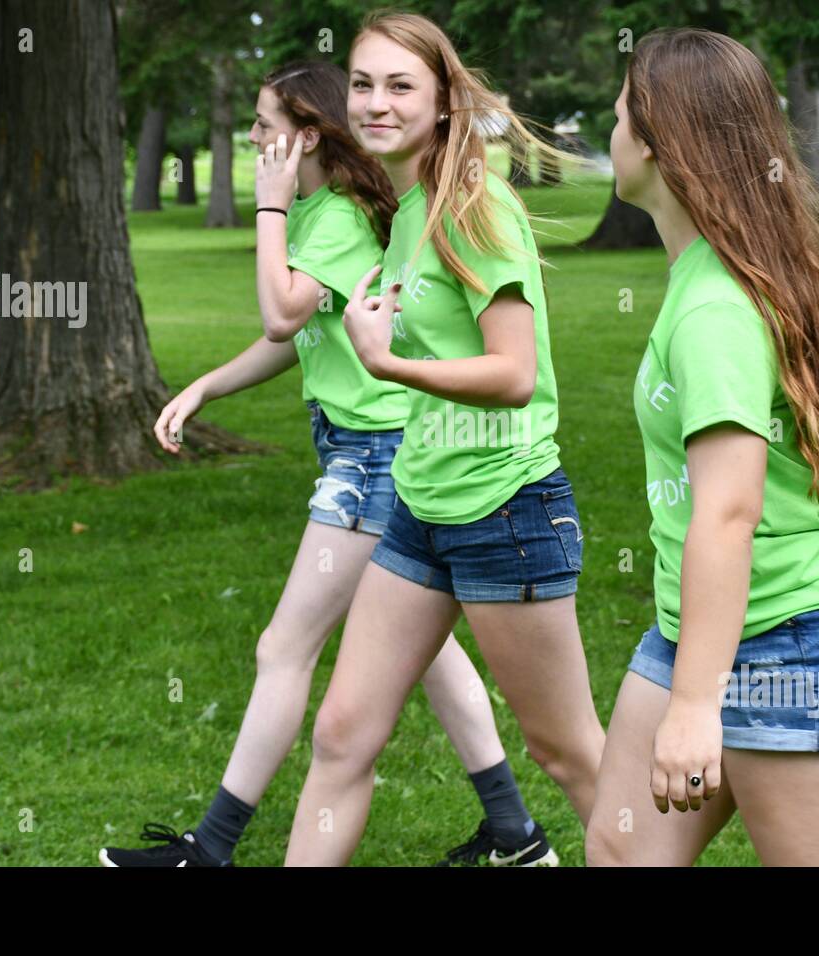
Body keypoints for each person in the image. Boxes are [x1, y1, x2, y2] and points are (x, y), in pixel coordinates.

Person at [100, 60, 551, 868]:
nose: (252, 136)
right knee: (431, 656)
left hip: (372, 463)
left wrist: (268, 205)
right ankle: (516, 834)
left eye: (265, 123)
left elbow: (280, 312)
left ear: (306, 135)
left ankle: (212, 848)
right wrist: (208, 385)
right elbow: (299, 336)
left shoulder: (334, 214)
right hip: (373, 454)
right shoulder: (321, 212)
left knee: (284, 648)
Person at [281, 12, 605, 867]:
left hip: (505, 507)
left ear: (444, 100)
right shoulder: (411, 207)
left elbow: (514, 373)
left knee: (568, 752)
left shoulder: (473, 206)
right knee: (343, 733)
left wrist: (386, 366)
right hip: (420, 507)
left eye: (400, 86)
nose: (375, 102)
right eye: (362, 83)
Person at [583, 28, 819, 867]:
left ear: (656, 143)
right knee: (622, 854)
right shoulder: (716, 272)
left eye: (619, 115)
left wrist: (695, 708)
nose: (609, 133)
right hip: (692, 631)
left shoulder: (715, 309)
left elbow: (728, 512)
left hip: (790, 639)